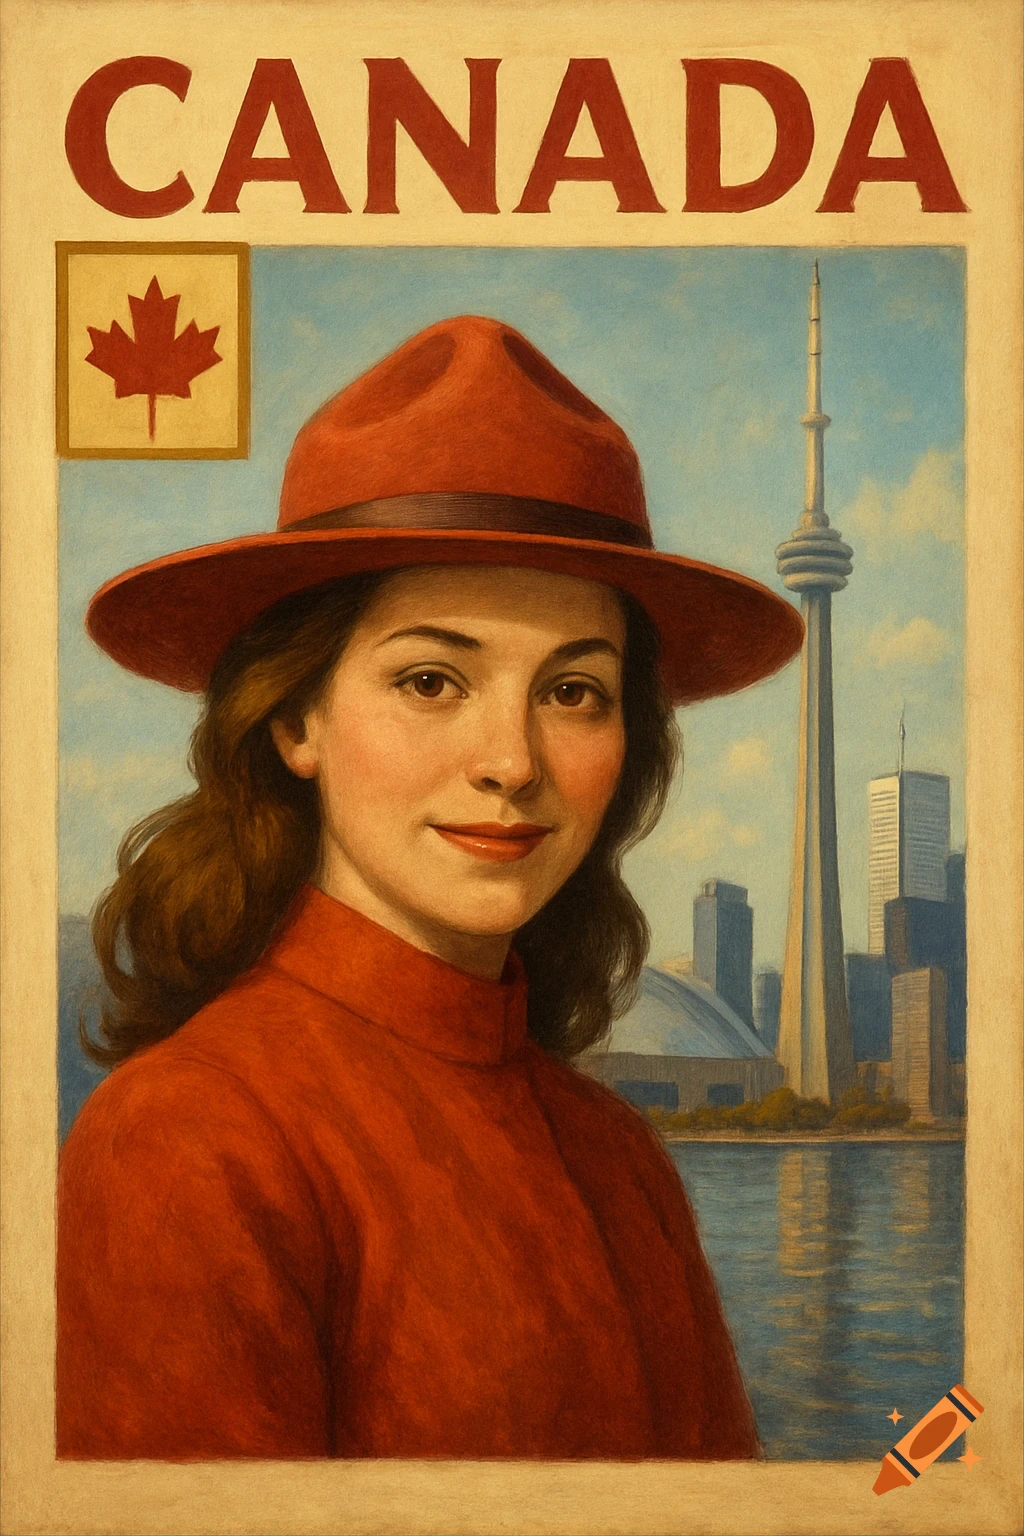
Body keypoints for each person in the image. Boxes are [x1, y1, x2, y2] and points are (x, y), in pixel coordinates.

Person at [57, 315, 803, 1460]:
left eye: (573, 693)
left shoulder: (620, 1156)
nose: (512, 761)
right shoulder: (188, 1139)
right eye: (431, 679)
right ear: (296, 716)